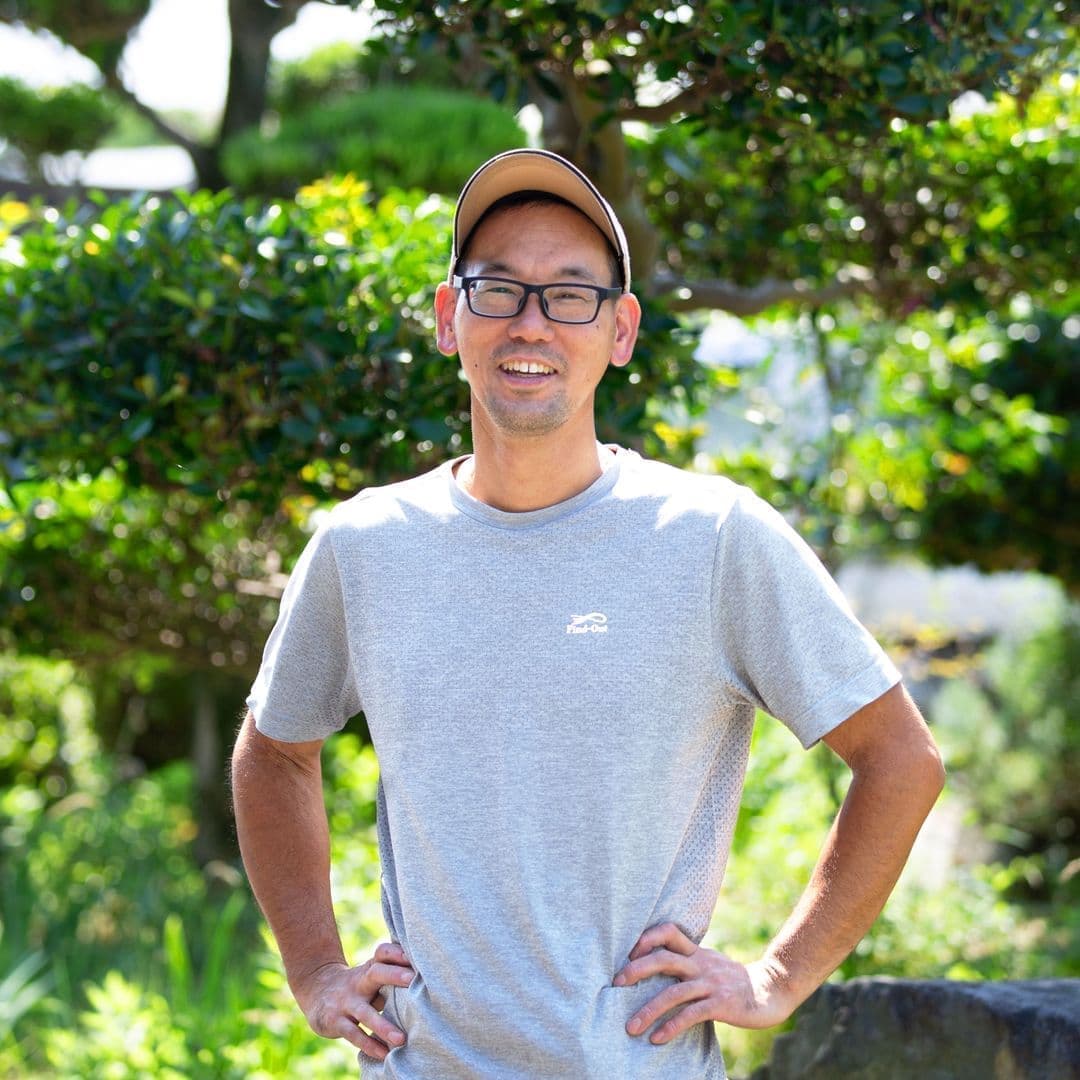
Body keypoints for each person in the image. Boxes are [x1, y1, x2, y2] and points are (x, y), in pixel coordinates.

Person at [231, 148, 945, 1079]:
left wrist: (777, 975)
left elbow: (902, 759)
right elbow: (274, 751)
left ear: (620, 330)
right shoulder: (366, 546)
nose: (532, 323)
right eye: (499, 290)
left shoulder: (714, 537)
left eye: (571, 295)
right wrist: (316, 970)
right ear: (452, 319)